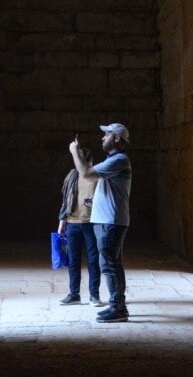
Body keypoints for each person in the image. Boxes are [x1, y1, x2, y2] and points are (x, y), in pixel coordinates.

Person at [68, 123, 132, 323]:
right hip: (108, 220)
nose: (102, 138)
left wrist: (74, 152)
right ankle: (117, 305)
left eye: (106, 134)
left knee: (109, 265)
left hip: (110, 221)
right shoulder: (113, 161)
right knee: (113, 264)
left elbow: (85, 173)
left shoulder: (119, 160)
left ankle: (118, 309)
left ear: (117, 138)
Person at [57, 147, 105, 307]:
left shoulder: (96, 177)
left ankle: (94, 295)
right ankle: (74, 294)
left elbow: (104, 198)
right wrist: (62, 220)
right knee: (73, 261)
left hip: (91, 223)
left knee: (93, 260)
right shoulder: (72, 176)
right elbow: (66, 199)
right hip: (72, 224)